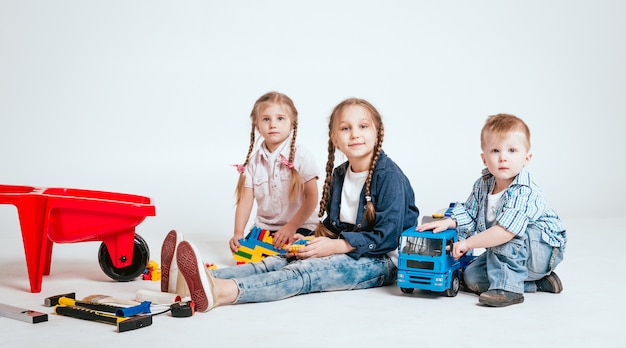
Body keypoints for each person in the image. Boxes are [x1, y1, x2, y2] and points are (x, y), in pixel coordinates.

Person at [167, 97, 419, 312]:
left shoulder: (390, 177)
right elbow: (335, 225)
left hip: (382, 261)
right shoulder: (341, 174)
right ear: (334, 138)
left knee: (306, 273)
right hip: (348, 248)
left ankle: (223, 292)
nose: (354, 134)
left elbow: (389, 238)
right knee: (279, 259)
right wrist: (311, 239)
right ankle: (197, 280)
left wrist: (335, 247)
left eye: (363, 126)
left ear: (377, 132)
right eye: (345, 128)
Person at [160, 91, 319, 294]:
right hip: (266, 229)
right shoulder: (254, 161)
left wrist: (291, 227)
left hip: (300, 228)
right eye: (266, 119)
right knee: (245, 257)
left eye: (280, 118)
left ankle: (213, 281)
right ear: (257, 125)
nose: (273, 124)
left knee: (293, 256)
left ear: (292, 122)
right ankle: (193, 279)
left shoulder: (302, 156)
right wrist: (238, 233)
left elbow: (312, 198)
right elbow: (246, 199)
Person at [417, 113, 567, 307]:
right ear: (484, 159)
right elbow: (470, 213)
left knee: (506, 236)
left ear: (526, 158)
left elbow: (505, 232)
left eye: (512, 150)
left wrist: (469, 243)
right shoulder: (483, 184)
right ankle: (537, 283)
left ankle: (509, 289)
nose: (503, 157)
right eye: (495, 151)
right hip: (509, 254)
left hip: (542, 251)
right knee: (471, 277)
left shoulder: (524, 190)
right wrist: (450, 221)